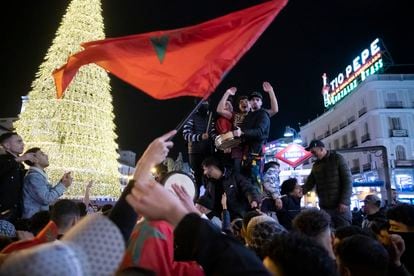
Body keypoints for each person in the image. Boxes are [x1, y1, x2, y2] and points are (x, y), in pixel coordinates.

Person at [302, 139, 352, 229]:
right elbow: (309, 183)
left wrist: (344, 201)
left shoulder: (337, 159)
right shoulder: (316, 165)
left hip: (340, 207)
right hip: (325, 208)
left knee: (344, 233)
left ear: (321, 149)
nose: (313, 154)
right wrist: (299, 192)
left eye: (314, 151)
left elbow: (347, 180)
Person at [21, 147, 73, 219]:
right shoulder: (34, 177)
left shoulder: (39, 175)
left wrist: (62, 183)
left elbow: (47, 195)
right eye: (42, 154)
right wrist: (63, 185)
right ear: (33, 159)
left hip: (37, 219)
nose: (46, 156)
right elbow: (46, 199)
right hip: (33, 222)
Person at [182, 100, 216, 197]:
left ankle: (208, 201)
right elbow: (186, 135)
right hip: (195, 152)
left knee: (209, 177)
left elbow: (213, 133)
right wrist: (200, 137)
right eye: (203, 103)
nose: (205, 105)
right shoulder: (191, 116)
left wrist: (218, 139)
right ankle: (196, 199)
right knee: (197, 178)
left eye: (206, 103)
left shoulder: (210, 117)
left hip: (208, 151)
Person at [0, 132, 36, 222]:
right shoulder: (3, 160)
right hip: (3, 212)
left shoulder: (19, 165)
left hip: (16, 211)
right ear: (7, 145)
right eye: (19, 142)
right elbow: (4, 166)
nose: (23, 144)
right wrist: (22, 158)